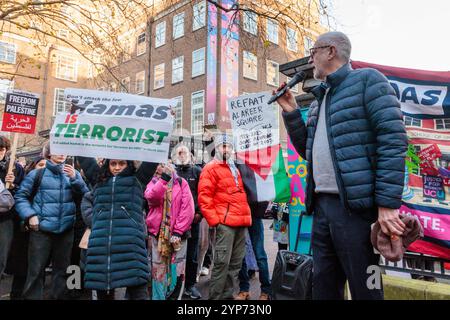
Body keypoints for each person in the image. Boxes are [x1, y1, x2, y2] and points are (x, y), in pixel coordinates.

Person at [276, 31, 408, 300]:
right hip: (322, 208)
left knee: (366, 289)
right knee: (323, 286)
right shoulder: (318, 100)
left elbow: (393, 141)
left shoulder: (368, 81)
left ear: (331, 51)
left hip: (357, 212)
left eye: (313, 52)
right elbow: (308, 152)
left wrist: (387, 205)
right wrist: (291, 112)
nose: (310, 58)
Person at [14, 143, 89, 299]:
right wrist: (29, 215)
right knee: (35, 271)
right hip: (41, 231)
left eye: (64, 150)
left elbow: (87, 197)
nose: (62, 154)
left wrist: (77, 180)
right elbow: (20, 197)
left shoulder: (73, 173)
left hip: (66, 231)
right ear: (49, 153)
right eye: (57, 150)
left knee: (62, 272)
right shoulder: (37, 174)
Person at [76, 156, 156, 300]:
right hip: (102, 246)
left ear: (129, 164)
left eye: (121, 163)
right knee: (102, 291)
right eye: (113, 163)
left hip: (131, 245)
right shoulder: (98, 180)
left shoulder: (137, 181)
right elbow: (84, 157)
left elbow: (153, 158)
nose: (117, 167)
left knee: (139, 292)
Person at [198, 133, 252, 300]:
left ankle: (227, 297)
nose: (226, 149)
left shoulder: (234, 167)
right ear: (217, 147)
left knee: (235, 265)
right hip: (226, 223)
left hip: (240, 221)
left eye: (229, 146)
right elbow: (204, 197)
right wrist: (216, 221)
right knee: (222, 264)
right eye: (223, 146)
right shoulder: (211, 168)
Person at [145, 162, 194, 300]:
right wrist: (163, 180)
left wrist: (178, 231)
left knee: (177, 270)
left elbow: (188, 208)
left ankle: (174, 297)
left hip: (179, 236)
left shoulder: (181, 182)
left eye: (164, 167)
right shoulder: (152, 182)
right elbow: (152, 198)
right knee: (158, 270)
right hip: (158, 235)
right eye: (158, 170)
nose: (160, 170)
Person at [5, 156, 46, 299]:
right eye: (40, 165)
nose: (43, 168)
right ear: (33, 167)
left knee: (37, 269)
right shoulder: (25, 184)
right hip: (24, 233)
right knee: (22, 269)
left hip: (43, 232)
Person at [172, 145, 204, 299]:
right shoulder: (171, 172)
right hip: (174, 222)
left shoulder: (197, 171)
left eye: (184, 152)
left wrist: (199, 213)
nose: (182, 154)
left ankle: (190, 286)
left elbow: (204, 194)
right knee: (174, 254)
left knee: (192, 255)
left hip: (193, 221)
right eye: (179, 152)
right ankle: (173, 286)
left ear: (190, 155)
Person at [0, 135, 25, 284]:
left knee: (2, 256)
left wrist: (13, 184)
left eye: (1, 149)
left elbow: (24, 191)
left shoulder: (15, 168)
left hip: (5, 219)